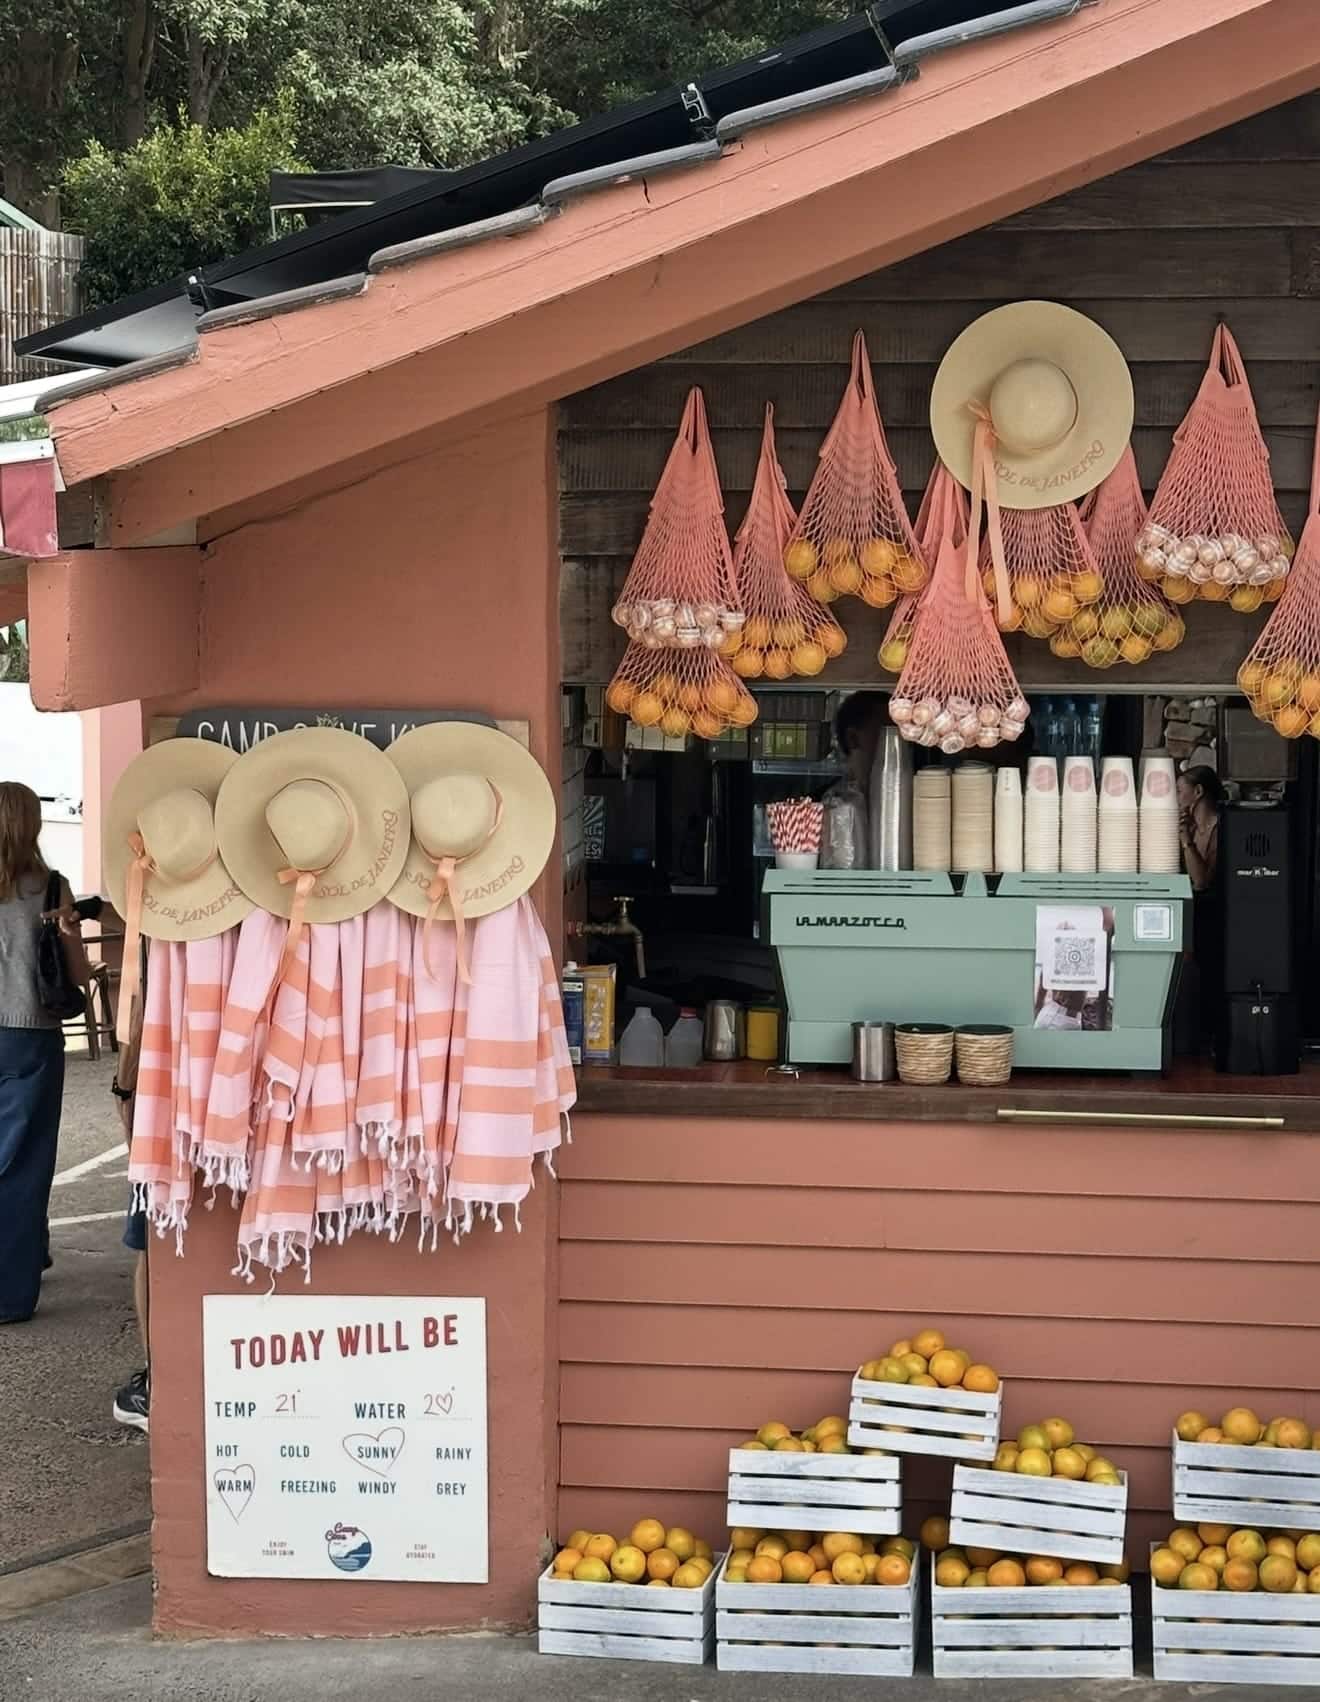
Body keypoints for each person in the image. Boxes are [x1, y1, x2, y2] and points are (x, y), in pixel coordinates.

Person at [0, 782, 88, 1325]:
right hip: (30, 1035)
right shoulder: (53, 887)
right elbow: (76, 973)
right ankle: (9, 1294)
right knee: (22, 1165)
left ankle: (29, 1255)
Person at [110, 988, 149, 1432]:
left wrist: (125, 1089)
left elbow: (140, 1009)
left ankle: (158, 1380)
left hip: (167, 1089)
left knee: (151, 1239)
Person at [1177, 765, 1223, 893]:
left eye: (1179, 791)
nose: (1175, 798)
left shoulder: (1222, 830)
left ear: (1198, 791)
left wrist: (1186, 840)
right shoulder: (1191, 828)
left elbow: (1201, 881)